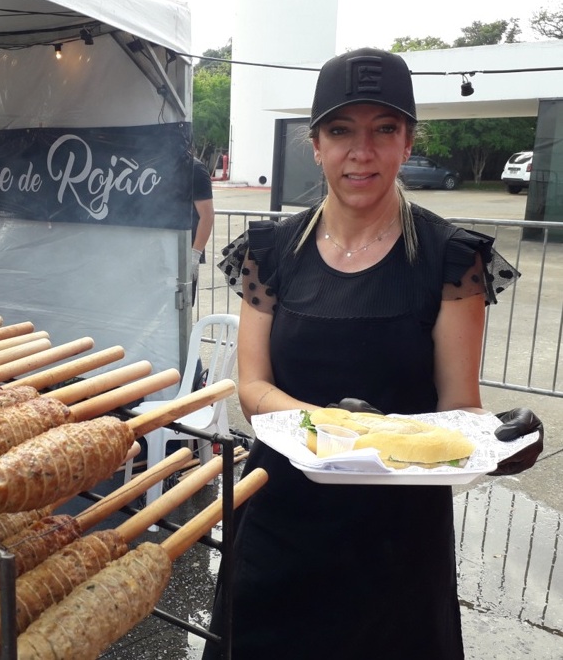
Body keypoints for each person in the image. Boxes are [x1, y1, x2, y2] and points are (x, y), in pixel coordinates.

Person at [203, 48, 544, 660]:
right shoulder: (271, 249)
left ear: (408, 142)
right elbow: (252, 389)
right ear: (315, 144)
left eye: (383, 129)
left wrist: (493, 444)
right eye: (341, 131)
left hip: (398, 538)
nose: (361, 152)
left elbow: (459, 405)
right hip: (283, 513)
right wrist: (335, 426)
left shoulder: (450, 258)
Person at [191, 155, 216, 306]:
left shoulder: (195, 169)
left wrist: (194, 255)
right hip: (158, 251)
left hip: (185, 251)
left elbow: (207, 215)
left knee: (180, 308)